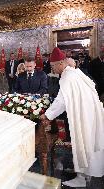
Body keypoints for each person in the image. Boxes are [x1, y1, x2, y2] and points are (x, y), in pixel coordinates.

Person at [40, 47, 104, 188]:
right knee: (90, 142)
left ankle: (82, 177)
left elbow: (61, 101)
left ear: (61, 63)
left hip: (83, 115)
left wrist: (47, 115)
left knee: (82, 141)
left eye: (53, 66)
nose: (52, 70)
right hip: (91, 113)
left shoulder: (67, 77)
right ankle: (86, 172)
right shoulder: (75, 73)